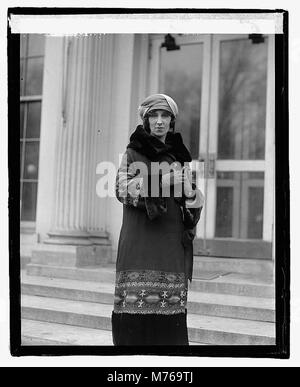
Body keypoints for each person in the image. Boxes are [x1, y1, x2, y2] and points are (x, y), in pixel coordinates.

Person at [111, 93, 204, 346]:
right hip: (138, 245)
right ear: (146, 120)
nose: (160, 121)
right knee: (133, 335)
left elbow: (191, 207)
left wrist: (193, 195)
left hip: (170, 247)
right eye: (154, 116)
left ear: (172, 121)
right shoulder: (132, 153)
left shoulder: (180, 157)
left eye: (165, 116)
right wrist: (161, 182)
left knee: (170, 333)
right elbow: (120, 190)